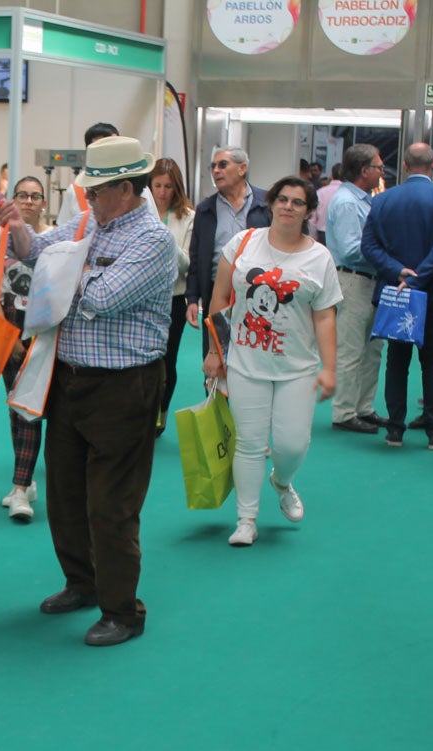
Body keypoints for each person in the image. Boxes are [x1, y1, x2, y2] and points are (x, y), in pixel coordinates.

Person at [0, 136, 175, 647]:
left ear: (125, 188)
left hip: (125, 386)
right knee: (66, 495)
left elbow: (100, 296)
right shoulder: (87, 223)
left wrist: (60, 268)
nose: (87, 197)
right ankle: (82, 584)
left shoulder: (153, 240)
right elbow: (37, 250)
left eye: (95, 190)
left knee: (113, 505)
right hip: (70, 378)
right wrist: (18, 232)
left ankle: (123, 610)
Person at [202, 177, 341, 547]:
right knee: (248, 443)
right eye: (282, 199)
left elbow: (325, 316)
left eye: (298, 202)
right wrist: (216, 351)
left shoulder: (319, 257)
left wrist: (329, 368)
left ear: (308, 211)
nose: (288, 206)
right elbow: (218, 299)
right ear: (272, 203)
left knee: (292, 444)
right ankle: (246, 519)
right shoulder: (243, 243)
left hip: (298, 368)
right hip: (246, 362)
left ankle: (281, 480)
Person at [361, 142, 433, 450]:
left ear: (403, 165)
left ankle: (395, 429)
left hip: (394, 293)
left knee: (397, 361)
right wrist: (418, 279)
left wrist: (399, 272)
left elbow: (369, 247)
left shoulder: (382, 200)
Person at [0, 176, 51, 521]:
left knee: (30, 407)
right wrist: (7, 336)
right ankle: (21, 484)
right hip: (7, 328)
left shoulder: (51, 239)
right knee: (17, 407)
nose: (28, 201)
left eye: (35, 196)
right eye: (22, 195)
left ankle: (22, 485)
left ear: (44, 202)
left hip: (42, 329)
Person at [326, 144, 387, 435]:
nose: (381, 172)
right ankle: (344, 412)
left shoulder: (363, 199)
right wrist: (388, 256)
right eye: (378, 167)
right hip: (354, 280)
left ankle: (363, 407)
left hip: (368, 281)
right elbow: (351, 250)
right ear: (365, 171)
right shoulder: (349, 203)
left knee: (373, 349)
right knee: (352, 350)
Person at [186, 146, 271, 350]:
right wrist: (192, 298)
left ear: (242, 168)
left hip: (257, 292)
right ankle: (213, 383)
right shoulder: (206, 209)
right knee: (216, 352)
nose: (216, 170)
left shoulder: (266, 205)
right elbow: (196, 258)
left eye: (223, 165)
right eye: (213, 166)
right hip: (216, 292)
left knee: (253, 351)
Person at [149, 156, 195, 436]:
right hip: (143, 299)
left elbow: (187, 264)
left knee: (168, 361)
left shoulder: (188, 217)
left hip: (174, 299)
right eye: (157, 185)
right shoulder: (139, 211)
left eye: (168, 186)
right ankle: (141, 413)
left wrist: (164, 239)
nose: (163, 192)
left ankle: (160, 415)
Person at [309, 162, 342, 244]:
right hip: (341, 235)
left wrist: (313, 238)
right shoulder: (350, 194)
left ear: (331, 175)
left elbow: (312, 219)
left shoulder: (320, 192)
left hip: (322, 235)